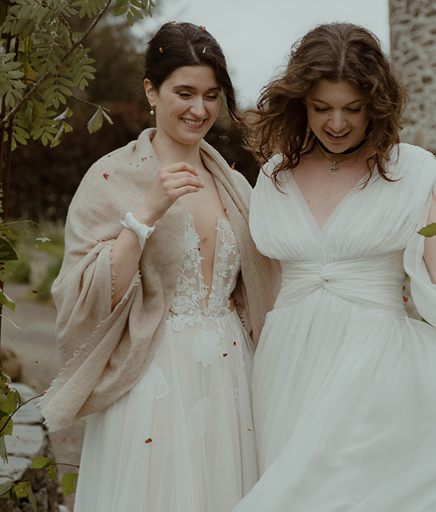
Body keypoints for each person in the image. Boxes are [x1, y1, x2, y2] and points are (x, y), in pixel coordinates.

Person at [233, 23, 436, 512]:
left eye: (352, 109)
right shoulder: (275, 176)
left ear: (376, 105)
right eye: (322, 108)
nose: (337, 123)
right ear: (301, 104)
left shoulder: (411, 171)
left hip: (376, 372)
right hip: (285, 370)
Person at [38, 22, 272, 512]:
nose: (200, 109)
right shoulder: (110, 177)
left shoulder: (234, 184)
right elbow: (91, 295)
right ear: (151, 89)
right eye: (184, 92)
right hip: (153, 375)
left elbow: (266, 279)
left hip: (232, 375)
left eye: (212, 95)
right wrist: (144, 215)